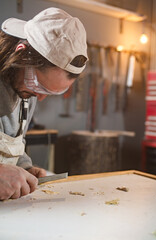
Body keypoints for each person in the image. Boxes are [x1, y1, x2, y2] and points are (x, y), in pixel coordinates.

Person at [0, 7, 88, 200]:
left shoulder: (26, 90)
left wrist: (25, 167)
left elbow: (12, 144)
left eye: (49, 92)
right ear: (21, 54)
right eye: (37, 85)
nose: (39, 98)